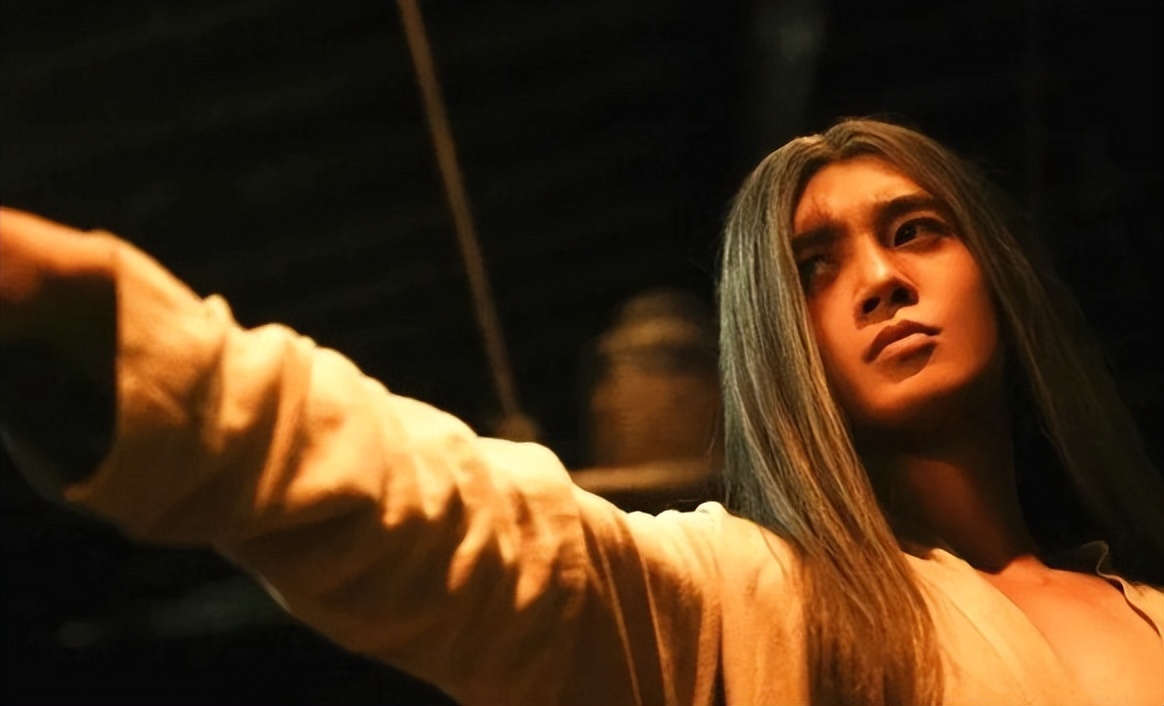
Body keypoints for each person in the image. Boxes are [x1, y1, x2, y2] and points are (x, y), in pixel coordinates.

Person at [1, 118, 1161, 705]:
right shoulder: (759, 603)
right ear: (781, 347)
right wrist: (88, 316)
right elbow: (467, 530)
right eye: (815, 266)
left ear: (995, 274)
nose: (881, 279)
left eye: (915, 230)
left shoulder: (1149, 613)